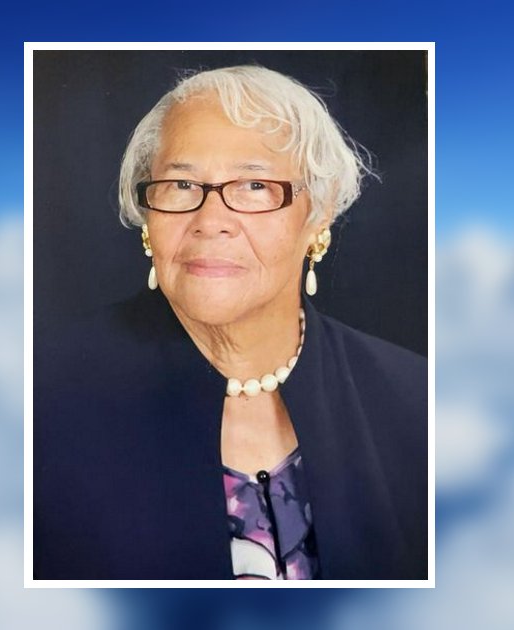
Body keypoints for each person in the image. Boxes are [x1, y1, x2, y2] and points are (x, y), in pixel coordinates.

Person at [33, 64, 427, 580]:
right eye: (181, 184)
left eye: (254, 185)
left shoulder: (416, 400)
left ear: (319, 214)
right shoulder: (38, 398)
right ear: (148, 218)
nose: (210, 221)